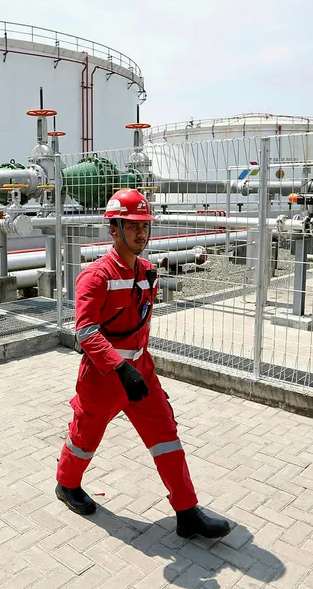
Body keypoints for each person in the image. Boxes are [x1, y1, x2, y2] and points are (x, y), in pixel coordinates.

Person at [54, 189, 232, 539]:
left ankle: (186, 511)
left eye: (145, 226)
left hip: (141, 373)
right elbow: (85, 331)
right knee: (85, 438)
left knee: (166, 436)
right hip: (103, 379)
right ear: (114, 229)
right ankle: (66, 483)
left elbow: (140, 326)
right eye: (133, 226)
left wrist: (139, 368)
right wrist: (120, 367)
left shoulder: (148, 272)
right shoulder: (95, 276)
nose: (141, 233)